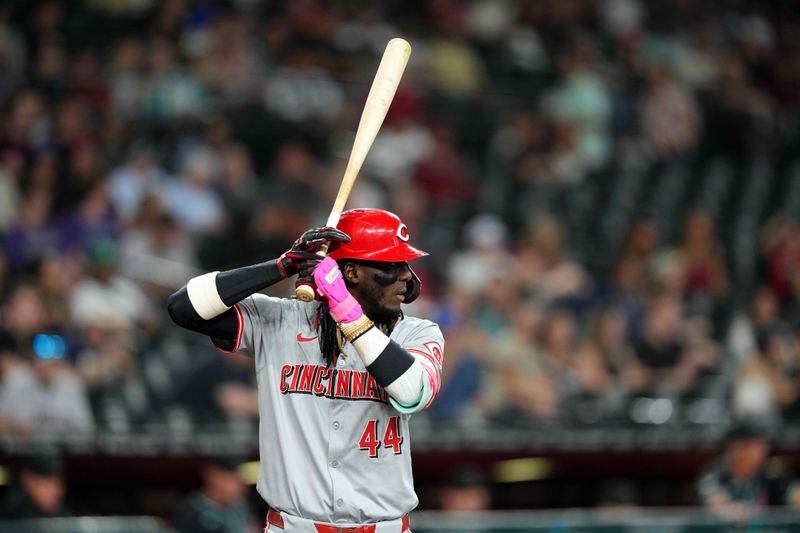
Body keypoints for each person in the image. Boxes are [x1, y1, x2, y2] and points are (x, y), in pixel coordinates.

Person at [167, 208, 444, 532]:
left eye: (406, 265)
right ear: (351, 272)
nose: (407, 277)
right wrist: (282, 266)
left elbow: (412, 393)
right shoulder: (282, 319)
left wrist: (344, 306)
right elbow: (183, 307)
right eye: (393, 265)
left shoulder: (417, 333)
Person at [697, 423, 800, 522]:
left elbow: (795, 495)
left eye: (762, 447)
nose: (762, 453)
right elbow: (716, 502)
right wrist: (735, 511)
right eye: (754, 448)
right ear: (735, 449)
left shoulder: (770, 473)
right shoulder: (714, 472)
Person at [172, 455, 252, 533]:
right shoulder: (189, 511)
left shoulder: (241, 507)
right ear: (212, 475)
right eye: (231, 479)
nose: (240, 486)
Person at [0, 454, 69, 518]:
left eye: (60, 482)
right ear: (28, 479)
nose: (58, 491)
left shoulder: (64, 514)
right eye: (48, 482)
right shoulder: (13, 513)